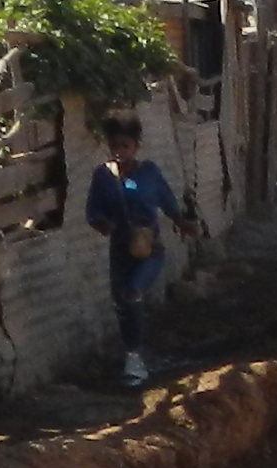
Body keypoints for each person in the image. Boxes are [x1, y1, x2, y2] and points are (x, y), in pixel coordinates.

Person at [81, 109, 193, 388]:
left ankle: (135, 358)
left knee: (132, 294)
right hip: (119, 250)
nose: (120, 152)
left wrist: (183, 222)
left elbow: (167, 201)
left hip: (149, 250)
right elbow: (92, 211)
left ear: (136, 147)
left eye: (126, 146)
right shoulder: (102, 176)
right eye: (115, 146)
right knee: (122, 305)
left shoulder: (149, 173)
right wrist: (102, 224)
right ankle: (134, 355)